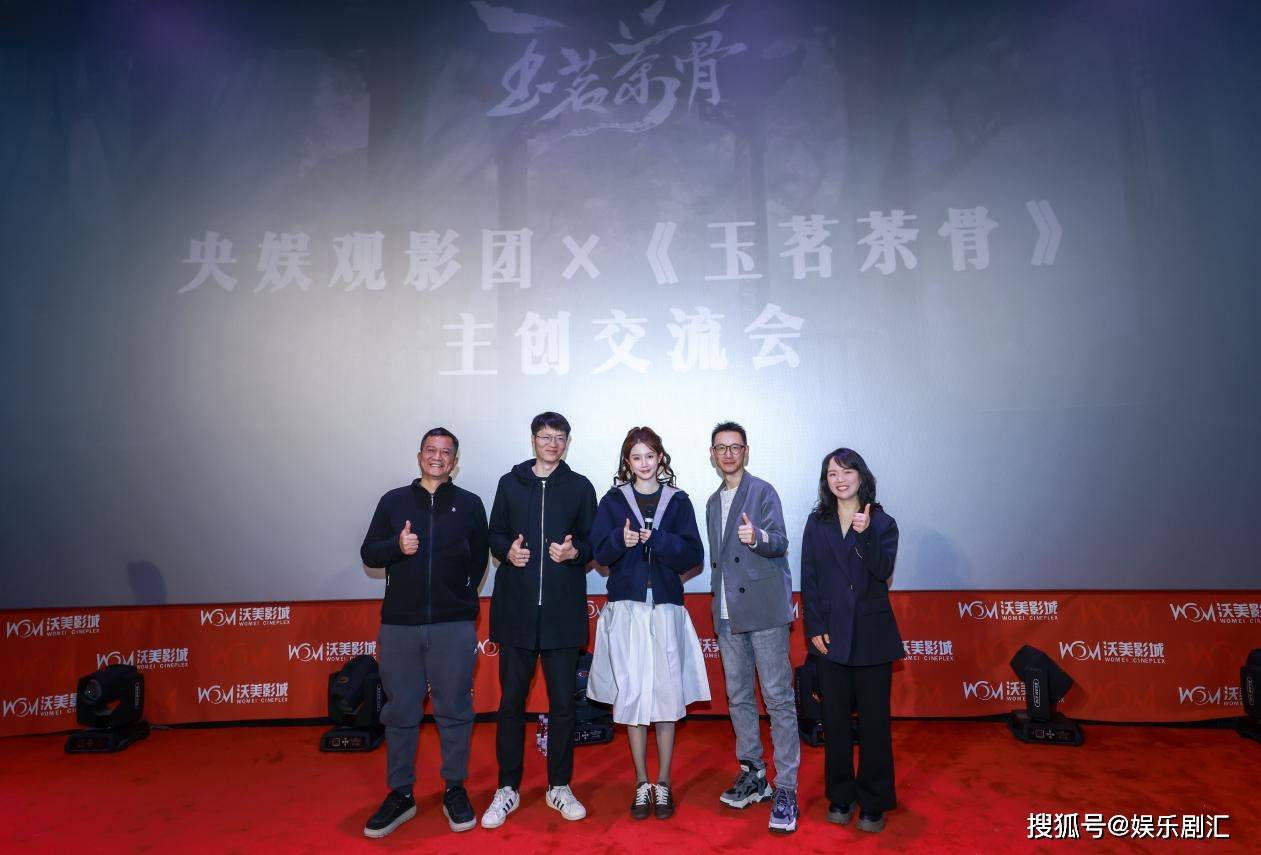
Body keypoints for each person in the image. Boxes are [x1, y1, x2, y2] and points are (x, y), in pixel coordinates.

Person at [359, 428, 490, 839]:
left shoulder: (470, 504)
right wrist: (397, 547)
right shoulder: (393, 501)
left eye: (445, 452)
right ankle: (401, 793)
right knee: (400, 712)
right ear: (419, 456)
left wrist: (461, 596)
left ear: (455, 462)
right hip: (400, 624)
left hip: (453, 625)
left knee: (455, 709)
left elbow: (479, 558)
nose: (437, 457)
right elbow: (369, 552)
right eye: (430, 450)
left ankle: (454, 789)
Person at [481, 412, 598, 828]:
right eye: (545, 437)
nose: (552, 444)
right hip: (516, 612)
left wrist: (575, 553)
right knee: (511, 703)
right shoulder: (509, 483)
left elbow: (593, 542)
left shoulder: (580, 487)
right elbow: (494, 534)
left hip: (562, 616)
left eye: (560, 437)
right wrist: (506, 552)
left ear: (567, 442)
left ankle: (559, 786)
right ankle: (507, 787)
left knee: (563, 705)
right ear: (533, 440)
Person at [587, 426, 710, 820]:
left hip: (667, 608)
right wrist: (620, 542)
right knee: (633, 695)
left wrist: (657, 539)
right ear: (627, 461)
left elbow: (693, 555)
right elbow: (598, 552)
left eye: (650, 456)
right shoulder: (612, 501)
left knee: (666, 696)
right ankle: (641, 782)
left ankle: (664, 782)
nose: (644, 463)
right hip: (627, 609)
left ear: (660, 458)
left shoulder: (678, 501)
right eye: (636, 457)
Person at [800, 447, 903, 834]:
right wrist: (814, 626)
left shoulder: (883, 522)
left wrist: (866, 535)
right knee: (835, 722)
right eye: (832, 474)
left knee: (875, 724)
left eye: (846, 472)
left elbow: (882, 570)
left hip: (872, 636)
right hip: (831, 636)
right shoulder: (817, 522)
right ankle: (841, 795)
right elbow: (809, 576)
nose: (840, 479)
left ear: (861, 476)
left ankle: (874, 801)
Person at [704, 421, 800, 833]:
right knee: (739, 697)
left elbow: (780, 541)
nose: (728, 454)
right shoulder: (712, 502)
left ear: (746, 451)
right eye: (721, 448)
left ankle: (787, 787)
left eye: (735, 447)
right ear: (712, 454)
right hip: (728, 615)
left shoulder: (763, 491)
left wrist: (757, 536)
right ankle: (754, 773)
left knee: (778, 699)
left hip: (763, 611)